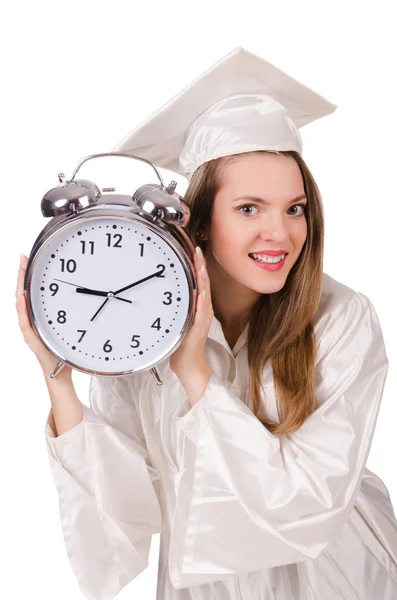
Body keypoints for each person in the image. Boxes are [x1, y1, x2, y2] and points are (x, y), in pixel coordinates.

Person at [15, 46, 397, 600]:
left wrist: (195, 373)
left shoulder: (341, 320)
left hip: (334, 575)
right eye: (249, 208)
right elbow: (126, 510)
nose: (281, 234)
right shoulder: (144, 327)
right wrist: (57, 376)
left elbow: (307, 504)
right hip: (208, 586)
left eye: (295, 208)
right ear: (199, 220)